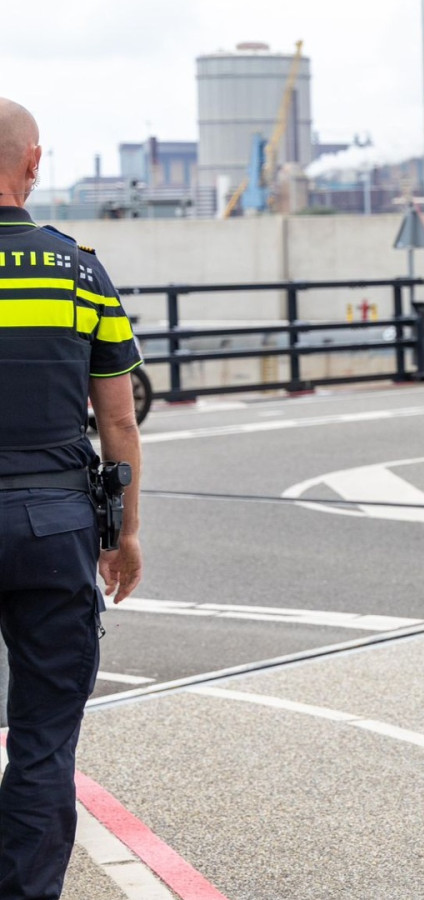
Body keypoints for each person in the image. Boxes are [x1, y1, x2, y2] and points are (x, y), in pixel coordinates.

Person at [0, 97, 144, 900]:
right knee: (45, 742)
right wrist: (124, 534)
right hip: (55, 526)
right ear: (34, 162)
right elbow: (118, 421)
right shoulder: (77, 268)